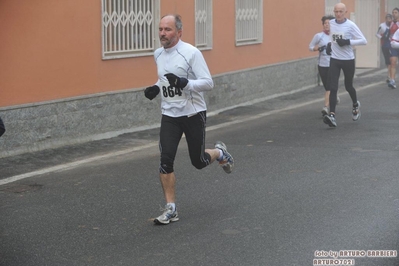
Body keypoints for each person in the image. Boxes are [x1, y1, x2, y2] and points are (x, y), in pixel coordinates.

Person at [144, 14, 234, 225]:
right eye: (160, 29)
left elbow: (208, 82)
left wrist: (186, 83)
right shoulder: (158, 54)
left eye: (167, 29)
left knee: (198, 161)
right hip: (169, 114)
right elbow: (164, 77)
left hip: (193, 113)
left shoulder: (191, 53)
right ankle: (171, 208)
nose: (162, 34)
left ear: (179, 32)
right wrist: (155, 88)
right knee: (165, 159)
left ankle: (220, 152)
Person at [323, 3, 367, 128]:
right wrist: (329, 45)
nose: (338, 14)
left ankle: (355, 104)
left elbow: (363, 40)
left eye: (341, 11)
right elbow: (331, 37)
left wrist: (348, 41)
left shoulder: (350, 25)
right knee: (333, 87)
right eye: (336, 11)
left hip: (348, 59)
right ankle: (332, 115)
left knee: (348, 86)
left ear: (345, 12)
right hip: (335, 59)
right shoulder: (331, 23)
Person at [309, 15, 339, 116]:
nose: (327, 25)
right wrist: (317, 48)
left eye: (329, 23)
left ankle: (326, 107)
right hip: (322, 64)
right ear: (323, 25)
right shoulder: (319, 36)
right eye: (325, 23)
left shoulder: (335, 35)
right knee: (327, 86)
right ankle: (334, 97)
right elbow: (310, 46)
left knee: (329, 87)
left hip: (334, 64)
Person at [376, 14, 393, 84]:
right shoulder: (382, 26)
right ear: (385, 19)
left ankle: (390, 76)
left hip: (392, 45)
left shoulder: (393, 25)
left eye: (390, 19)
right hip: (385, 45)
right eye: (387, 19)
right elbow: (377, 34)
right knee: (388, 61)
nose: (389, 20)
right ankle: (389, 75)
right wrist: (382, 37)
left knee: (392, 60)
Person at [387, 8, 399, 89]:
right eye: (393, 12)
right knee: (393, 62)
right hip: (393, 45)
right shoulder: (390, 23)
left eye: (395, 12)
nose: (394, 14)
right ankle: (392, 80)